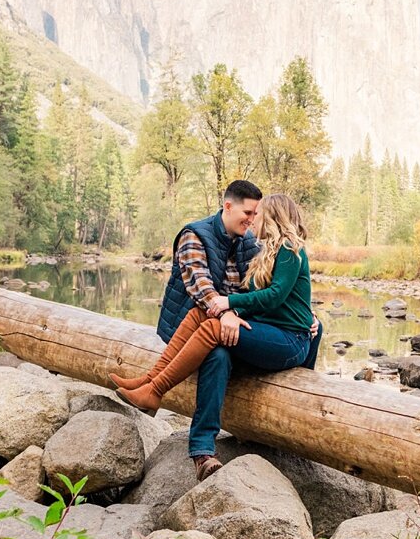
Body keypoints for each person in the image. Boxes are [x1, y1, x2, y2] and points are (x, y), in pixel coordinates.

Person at [112, 184, 320, 480]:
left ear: (272, 218)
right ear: (228, 206)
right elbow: (202, 288)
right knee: (215, 344)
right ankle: (196, 445)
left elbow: (278, 295)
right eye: (248, 213)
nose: (251, 220)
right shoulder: (195, 235)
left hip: (269, 334)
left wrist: (233, 308)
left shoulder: (280, 248)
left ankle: (155, 390)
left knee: (213, 329)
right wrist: (228, 311)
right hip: (200, 326)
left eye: (256, 214)